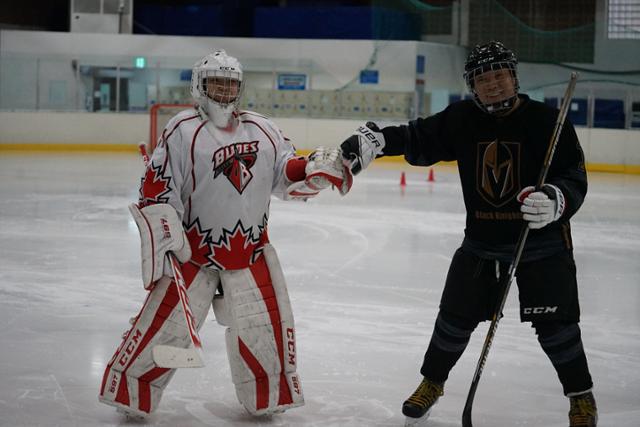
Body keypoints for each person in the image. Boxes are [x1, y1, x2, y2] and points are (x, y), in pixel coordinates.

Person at [340, 41, 597, 427]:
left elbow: (574, 176)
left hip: (540, 242)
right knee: (453, 319)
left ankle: (581, 397)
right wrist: (379, 139)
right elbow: (418, 137)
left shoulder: (546, 120)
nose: (492, 85)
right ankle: (432, 382)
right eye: (482, 79)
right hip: (483, 240)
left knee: (557, 326)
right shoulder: (462, 118)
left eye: (499, 76)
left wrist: (555, 199)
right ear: (472, 85)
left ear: (514, 77)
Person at [99, 49, 351, 418]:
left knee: (265, 330)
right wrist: (165, 231)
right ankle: (130, 390)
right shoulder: (182, 130)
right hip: (194, 252)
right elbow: (157, 188)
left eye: (230, 83)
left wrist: (311, 170)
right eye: (215, 82)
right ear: (199, 86)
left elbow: (285, 171)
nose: (223, 90)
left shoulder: (262, 127)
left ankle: (267, 395)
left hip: (249, 250)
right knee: (164, 327)